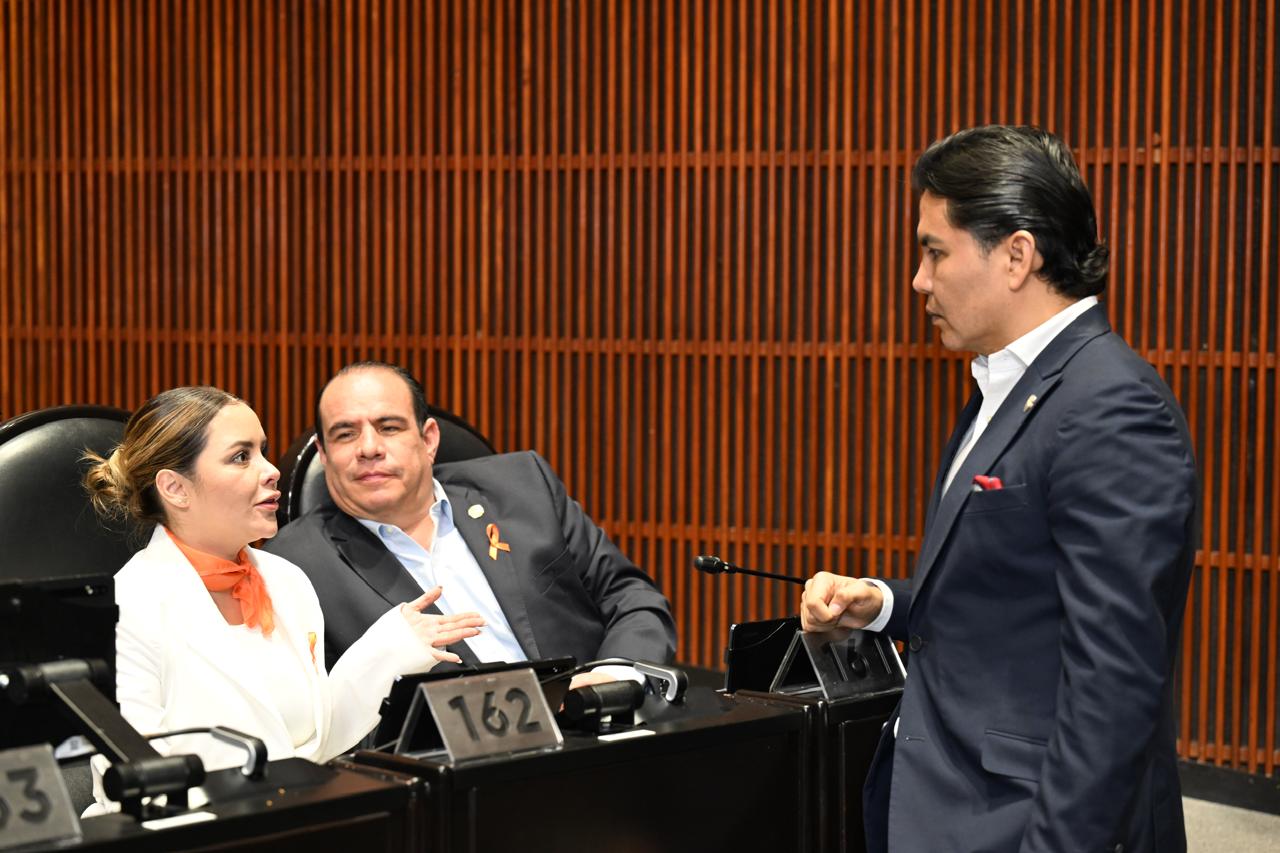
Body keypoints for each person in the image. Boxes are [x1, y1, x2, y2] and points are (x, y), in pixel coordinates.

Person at [800, 126, 1196, 853]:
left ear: (1016, 255)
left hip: (1027, 822)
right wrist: (883, 603)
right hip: (956, 803)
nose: (919, 280)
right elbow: (1017, 599)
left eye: (934, 251)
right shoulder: (1008, 383)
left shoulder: (1111, 407)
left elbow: (1112, 690)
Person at [83, 386, 484, 803]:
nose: (272, 470)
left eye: (263, 451)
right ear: (175, 488)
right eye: (241, 457)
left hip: (295, 814)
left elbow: (314, 745)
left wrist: (389, 649)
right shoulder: (125, 607)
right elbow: (129, 783)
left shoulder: (287, 580)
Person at [264, 362, 676, 686]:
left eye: (389, 427)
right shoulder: (295, 564)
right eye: (345, 434)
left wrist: (613, 679)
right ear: (324, 454)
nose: (369, 448)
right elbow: (318, 710)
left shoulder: (523, 487)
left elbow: (629, 595)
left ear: (428, 439)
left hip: (598, 729)